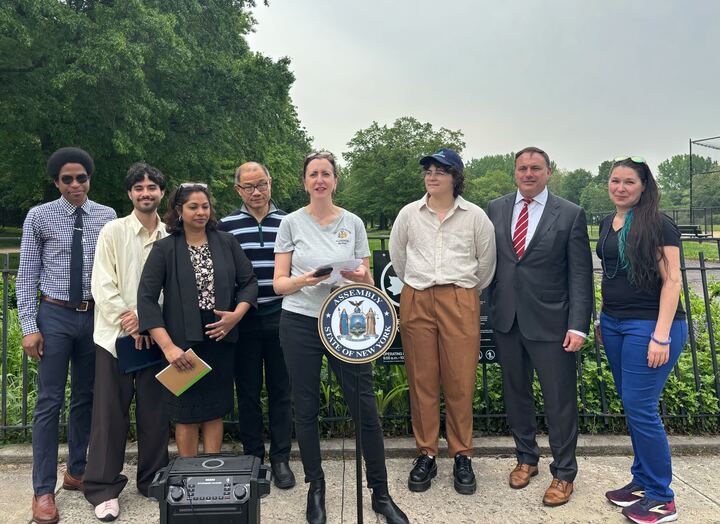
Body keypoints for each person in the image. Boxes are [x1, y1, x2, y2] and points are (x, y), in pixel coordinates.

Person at [273, 151, 408, 524]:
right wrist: (306, 280)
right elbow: (279, 283)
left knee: (364, 407)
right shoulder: (290, 223)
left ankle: (380, 493)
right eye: (313, 174)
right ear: (304, 181)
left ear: (335, 180)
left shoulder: (353, 222)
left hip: (346, 322)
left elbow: (368, 279)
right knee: (305, 408)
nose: (319, 179)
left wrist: (360, 276)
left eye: (326, 173)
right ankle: (316, 488)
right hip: (300, 320)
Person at [487, 146, 593, 507]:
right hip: (508, 320)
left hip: (552, 323)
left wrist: (578, 325)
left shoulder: (570, 214)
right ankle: (526, 458)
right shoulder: (496, 208)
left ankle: (564, 473)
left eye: (535, 168)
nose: (528, 174)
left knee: (559, 401)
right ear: (514, 173)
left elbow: (580, 275)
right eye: (522, 168)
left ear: (548, 172)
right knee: (516, 393)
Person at [17, 147, 116, 524]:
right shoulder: (39, 216)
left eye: (81, 178)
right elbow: (26, 274)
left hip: (94, 316)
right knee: (49, 402)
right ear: (56, 182)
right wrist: (29, 327)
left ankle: (76, 470)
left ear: (90, 178)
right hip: (55, 315)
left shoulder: (107, 216)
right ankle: (43, 490)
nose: (75, 185)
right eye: (67, 179)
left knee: (86, 397)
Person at [389, 148, 496, 495]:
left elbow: (486, 265)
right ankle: (426, 454)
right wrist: (418, 285)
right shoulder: (409, 214)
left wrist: (461, 292)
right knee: (422, 380)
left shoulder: (475, 216)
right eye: (429, 171)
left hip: (459, 297)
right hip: (418, 296)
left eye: (440, 171)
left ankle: (462, 454)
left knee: (460, 380)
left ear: (455, 177)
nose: (432, 176)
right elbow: (398, 258)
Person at [137, 183, 257, 457]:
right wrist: (168, 347)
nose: (201, 212)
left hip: (221, 337)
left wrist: (236, 315)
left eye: (205, 206)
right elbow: (146, 298)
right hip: (181, 341)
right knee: (186, 413)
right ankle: (188, 473)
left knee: (215, 410)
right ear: (179, 210)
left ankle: (210, 471)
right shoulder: (165, 248)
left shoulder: (226, 242)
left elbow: (249, 282)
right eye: (193, 207)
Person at [598, 157, 687, 524]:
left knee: (642, 407)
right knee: (632, 405)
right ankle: (642, 481)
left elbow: (673, 280)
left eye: (629, 182)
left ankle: (662, 498)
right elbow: (612, 274)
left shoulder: (659, 224)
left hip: (649, 327)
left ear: (644, 186)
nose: (620, 188)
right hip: (614, 324)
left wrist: (660, 336)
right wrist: (604, 319)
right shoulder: (608, 222)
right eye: (615, 181)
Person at [83, 163, 170, 521]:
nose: (145, 193)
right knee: (109, 415)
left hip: (157, 337)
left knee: (156, 414)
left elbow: (175, 286)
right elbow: (102, 282)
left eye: (152, 187)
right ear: (130, 193)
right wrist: (128, 318)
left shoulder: (171, 235)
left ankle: (153, 481)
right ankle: (103, 489)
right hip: (115, 338)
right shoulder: (113, 231)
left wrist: (149, 321)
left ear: (162, 192)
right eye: (139, 187)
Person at [218, 161, 295, 488]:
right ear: (238, 190)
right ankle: (253, 456)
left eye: (261, 184)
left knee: (281, 391)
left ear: (270, 183)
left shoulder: (289, 222)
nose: (256, 192)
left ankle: (281, 457)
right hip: (243, 319)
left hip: (282, 315)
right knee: (247, 392)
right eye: (248, 186)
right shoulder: (225, 226)